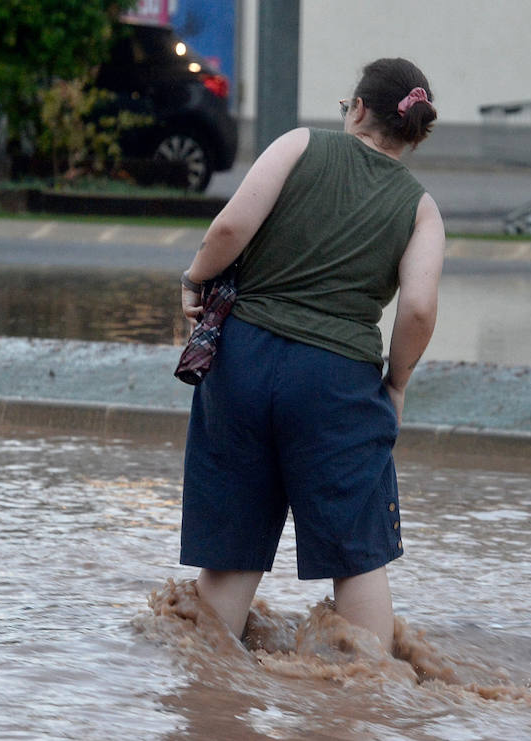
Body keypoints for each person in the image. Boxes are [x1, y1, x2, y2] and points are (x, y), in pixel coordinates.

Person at [176, 57, 445, 655]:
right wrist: (396, 384)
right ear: (415, 133)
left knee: (231, 551)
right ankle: (365, 691)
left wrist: (194, 280)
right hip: (338, 383)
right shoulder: (420, 208)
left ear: (356, 109)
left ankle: (210, 701)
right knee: (356, 555)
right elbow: (420, 310)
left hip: (243, 362)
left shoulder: (299, 145)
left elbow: (227, 231)